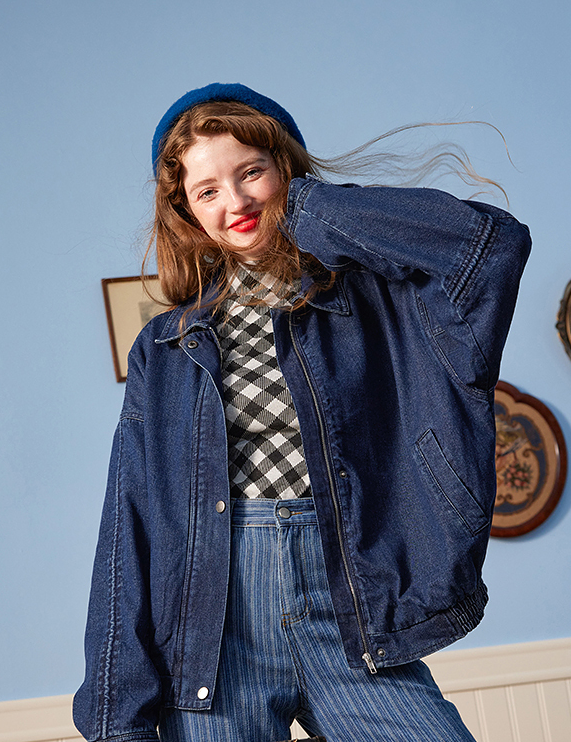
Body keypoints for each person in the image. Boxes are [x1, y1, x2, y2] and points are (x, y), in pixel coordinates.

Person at [73, 83, 531, 742]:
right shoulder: (165, 347)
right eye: (207, 191)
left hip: (352, 613)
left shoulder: (378, 300)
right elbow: (131, 520)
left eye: (250, 172)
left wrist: (308, 206)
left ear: (285, 166)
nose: (235, 203)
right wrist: (116, 721)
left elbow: (490, 248)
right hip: (213, 634)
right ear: (187, 213)